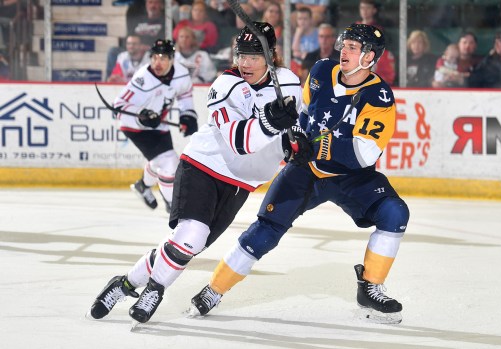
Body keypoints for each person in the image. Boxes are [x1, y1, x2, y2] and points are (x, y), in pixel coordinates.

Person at [188, 23, 409, 325]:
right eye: (343, 45)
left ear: (370, 57)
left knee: (395, 213)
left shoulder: (379, 97)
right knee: (265, 230)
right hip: (305, 169)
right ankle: (214, 288)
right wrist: (295, 135)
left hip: (351, 177)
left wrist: (321, 146)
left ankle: (370, 287)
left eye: (353, 48)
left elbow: (364, 153)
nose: (344, 51)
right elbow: (302, 111)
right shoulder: (320, 71)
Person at [88, 22, 304, 325]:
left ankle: (124, 284)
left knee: (186, 245)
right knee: (191, 236)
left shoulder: (289, 81)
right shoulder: (224, 86)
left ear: (271, 56)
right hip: (204, 166)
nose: (245, 64)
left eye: (254, 56)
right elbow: (240, 142)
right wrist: (270, 123)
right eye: (240, 55)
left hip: (242, 183)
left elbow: (297, 126)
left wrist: (296, 141)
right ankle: (155, 289)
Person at [111, 39, 197, 213]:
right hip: (135, 128)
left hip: (159, 126)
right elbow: (118, 107)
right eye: (154, 57)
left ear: (172, 59)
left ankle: (142, 186)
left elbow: (185, 95)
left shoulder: (181, 74)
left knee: (158, 160)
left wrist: (187, 116)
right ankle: (173, 206)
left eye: (163, 58)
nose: (157, 62)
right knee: (169, 162)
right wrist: (142, 118)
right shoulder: (143, 79)